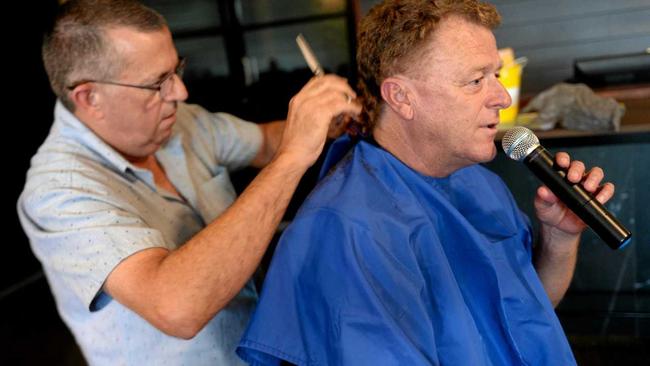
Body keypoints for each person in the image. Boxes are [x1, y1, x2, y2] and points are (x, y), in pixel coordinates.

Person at [237, 0, 616, 365]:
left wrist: (560, 239)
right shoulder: (346, 230)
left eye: (496, 75)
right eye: (475, 80)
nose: (501, 97)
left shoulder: (479, 183)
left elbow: (523, 317)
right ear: (401, 97)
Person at [17, 0, 360, 365]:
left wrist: (324, 121)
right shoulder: (58, 192)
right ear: (89, 97)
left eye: (176, 69)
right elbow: (178, 308)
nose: (179, 92)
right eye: (157, 83)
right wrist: (293, 158)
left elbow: (265, 142)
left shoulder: (181, 122)